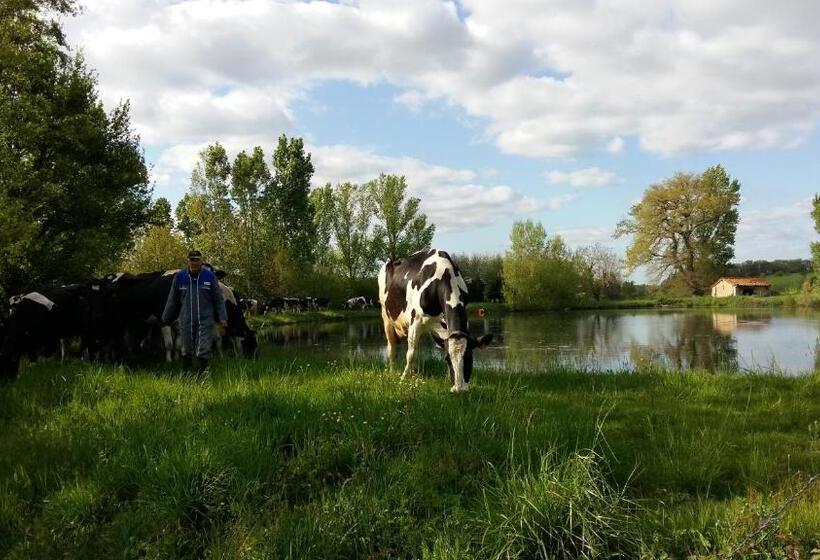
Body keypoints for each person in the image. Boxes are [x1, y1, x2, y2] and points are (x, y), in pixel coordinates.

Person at [162, 250, 227, 376]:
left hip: (205, 319)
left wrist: (222, 317)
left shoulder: (210, 277)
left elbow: (218, 299)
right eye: (192, 260)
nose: (194, 262)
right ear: (188, 261)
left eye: (197, 260)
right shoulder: (180, 277)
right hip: (186, 318)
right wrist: (166, 317)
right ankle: (186, 373)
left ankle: (201, 373)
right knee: (186, 348)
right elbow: (172, 299)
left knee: (203, 347)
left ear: (201, 261)